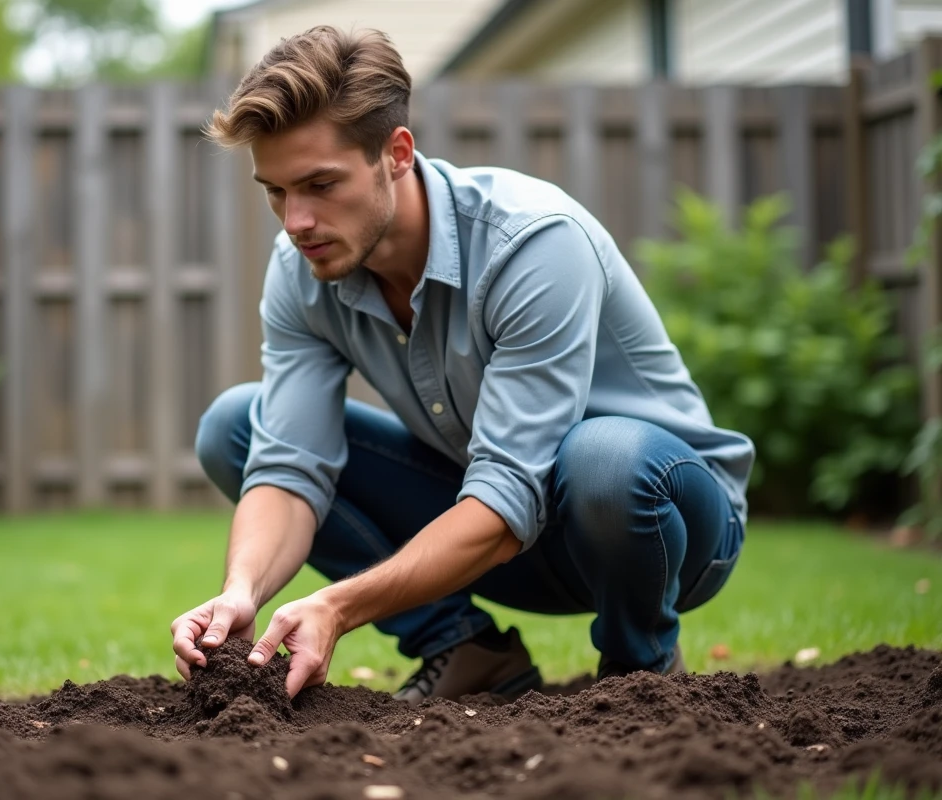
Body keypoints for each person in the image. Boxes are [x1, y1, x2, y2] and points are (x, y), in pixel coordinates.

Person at [171, 25, 754, 706]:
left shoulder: (532, 244)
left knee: (603, 457)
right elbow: (288, 464)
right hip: (507, 534)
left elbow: (507, 499)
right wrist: (241, 590)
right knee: (236, 426)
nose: (296, 220)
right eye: (275, 191)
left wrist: (338, 606)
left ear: (396, 153)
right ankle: (467, 650)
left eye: (320, 184)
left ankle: (638, 681)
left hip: (664, 530)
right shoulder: (301, 271)